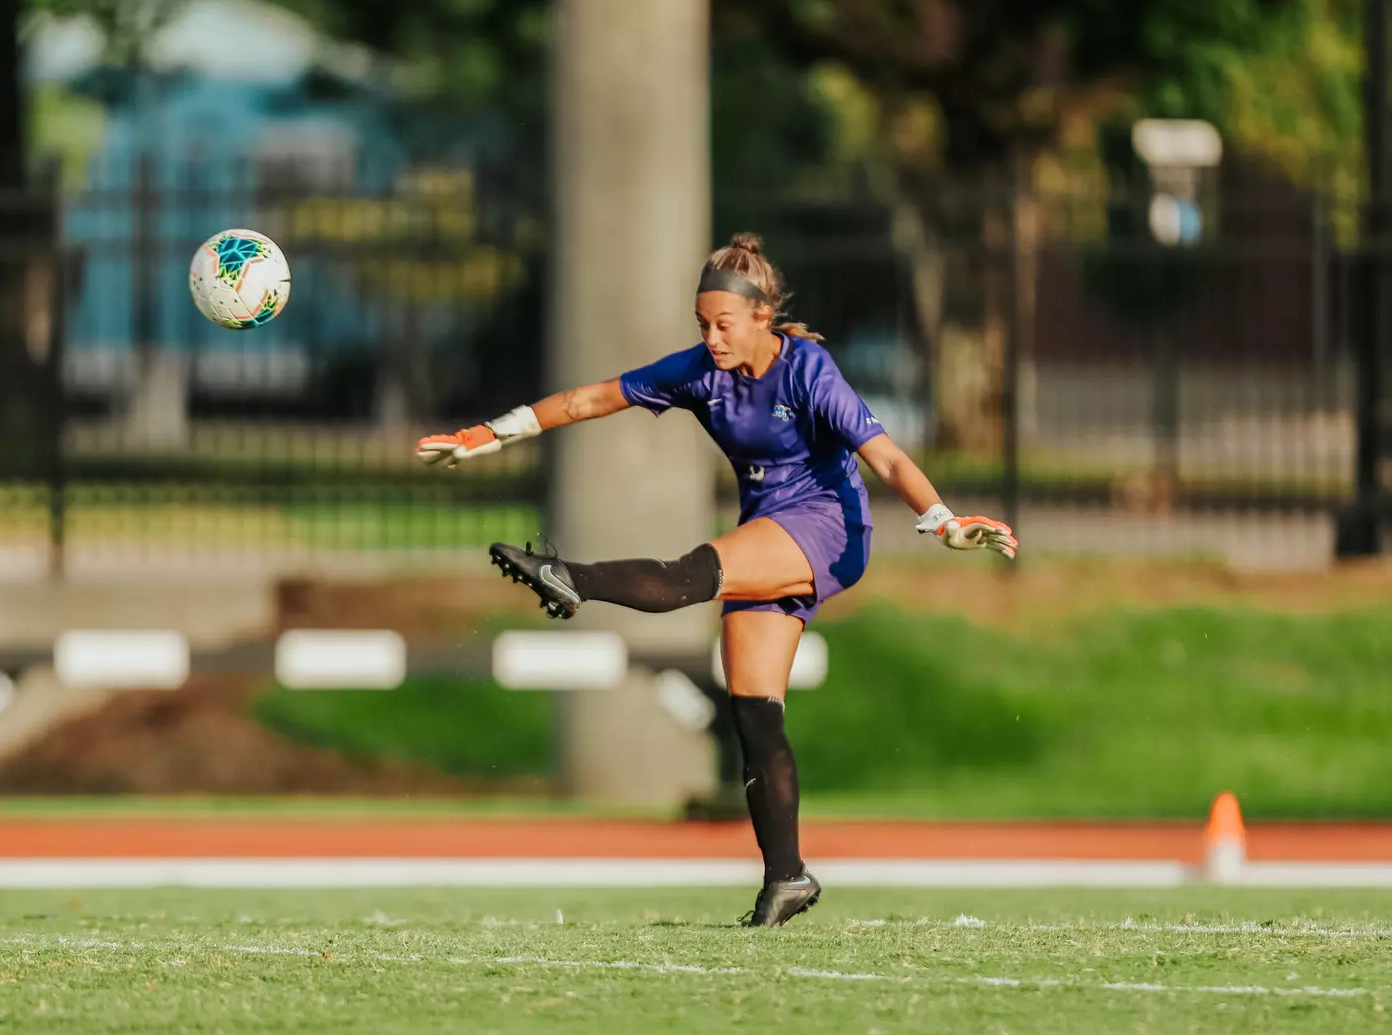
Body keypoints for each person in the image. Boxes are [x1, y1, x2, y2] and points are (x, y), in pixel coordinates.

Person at [414, 233, 1017, 927]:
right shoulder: (701, 370)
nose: (711, 337)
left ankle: (567, 576)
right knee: (755, 718)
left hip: (828, 529)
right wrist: (483, 436)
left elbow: (885, 458)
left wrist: (942, 522)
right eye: (702, 324)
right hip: (769, 530)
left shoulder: (810, 369)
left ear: (763, 315)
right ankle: (787, 877)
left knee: (689, 575)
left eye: (722, 324)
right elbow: (589, 400)